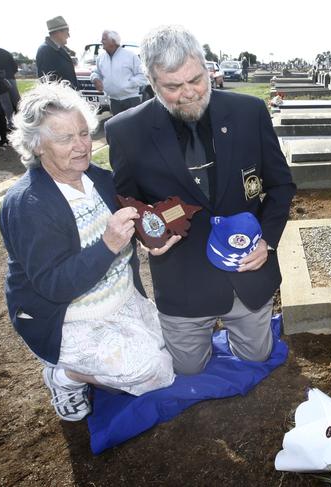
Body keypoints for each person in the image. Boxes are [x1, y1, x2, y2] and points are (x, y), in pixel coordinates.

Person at [106, 25, 296, 375]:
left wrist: (267, 241)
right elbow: (127, 202)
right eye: (173, 87)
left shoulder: (249, 112)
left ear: (207, 68)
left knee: (256, 357)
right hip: (182, 278)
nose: (189, 93)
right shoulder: (125, 131)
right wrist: (144, 237)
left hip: (246, 271)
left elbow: (281, 186)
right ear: (151, 80)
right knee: (188, 370)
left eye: (196, 79)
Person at [0, 80, 175, 421]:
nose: (81, 146)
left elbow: (130, 226)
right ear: (37, 146)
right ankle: (64, 375)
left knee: (177, 349)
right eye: (65, 138)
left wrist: (150, 238)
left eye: (83, 133)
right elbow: (54, 285)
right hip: (70, 315)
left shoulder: (101, 180)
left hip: (120, 299)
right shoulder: (28, 205)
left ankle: (100, 361)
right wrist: (108, 244)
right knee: (156, 371)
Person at [91, 30, 147, 115]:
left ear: (113, 41)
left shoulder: (130, 56)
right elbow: (96, 72)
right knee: (117, 128)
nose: (101, 41)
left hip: (131, 99)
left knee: (134, 127)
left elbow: (143, 75)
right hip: (113, 101)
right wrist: (95, 79)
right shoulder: (101, 58)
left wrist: (128, 84)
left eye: (104, 39)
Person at [35, 16, 78, 89]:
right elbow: (47, 81)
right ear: (58, 32)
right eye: (67, 32)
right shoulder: (45, 51)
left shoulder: (58, 49)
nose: (68, 36)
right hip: (59, 97)